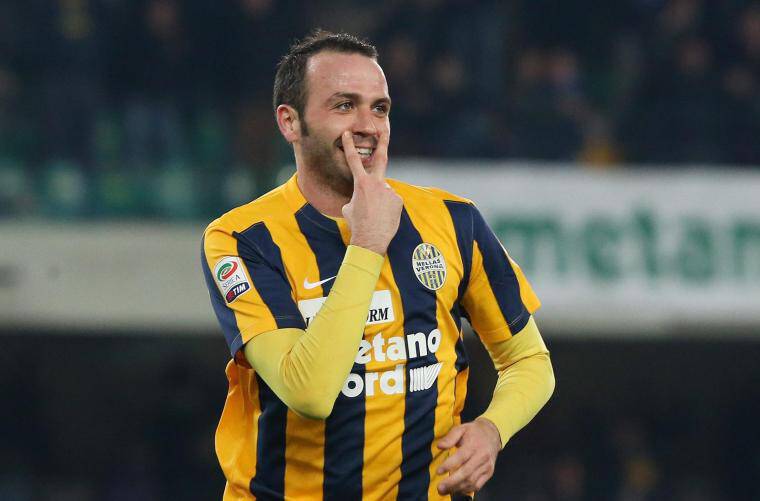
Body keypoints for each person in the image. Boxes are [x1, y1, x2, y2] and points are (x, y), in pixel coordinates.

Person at [201, 30, 555, 500]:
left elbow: (529, 361)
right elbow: (309, 393)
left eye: (380, 108)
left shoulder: (453, 221)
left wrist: (492, 429)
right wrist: (367, 242)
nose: (368, 125)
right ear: (290, 122)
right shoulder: (243, 239)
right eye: (344, 105)